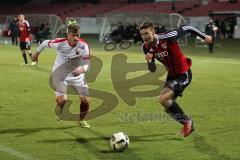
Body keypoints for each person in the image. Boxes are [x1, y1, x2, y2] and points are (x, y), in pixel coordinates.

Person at [139, 22, 212, 137]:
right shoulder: (145, 47)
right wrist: (149, 61)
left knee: (163, 99)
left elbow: (188, 27)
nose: (144, 37)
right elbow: (152, 69)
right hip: (172, 75)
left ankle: (187, 122)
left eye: (146, 33)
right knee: (168, 107)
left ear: (153, 32)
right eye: (142, 34)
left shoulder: (168, 37)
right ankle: (187, 123)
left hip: (183, 73)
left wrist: (204, 36)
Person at [31, 24, 91, 128]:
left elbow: (87, 63)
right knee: (63, 100)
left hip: (76, 75)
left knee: (85, 100)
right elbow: (45, 43)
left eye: (78, 35)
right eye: (73, 35)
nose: (76, 38)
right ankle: (59, 108)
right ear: (68, 35)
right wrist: (35, 55)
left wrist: (83, 69)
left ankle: (82, 120)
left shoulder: (83, 45)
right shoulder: (60, 43)